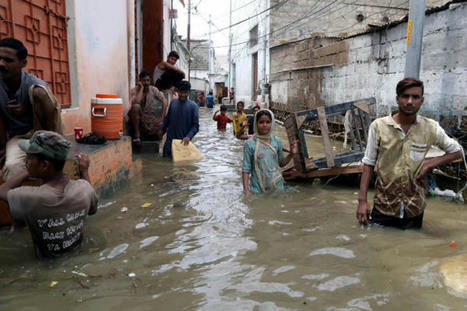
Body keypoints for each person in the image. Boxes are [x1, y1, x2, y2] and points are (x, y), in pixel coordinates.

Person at [356, 78, 462, 229]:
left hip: (415, 208)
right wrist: (362, 201)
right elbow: (368, 163)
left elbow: (458, 152)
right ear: (397, 99)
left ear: (422, 100)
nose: (410, 101)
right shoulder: (379, 127)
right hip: (384, 206)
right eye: (405, 96)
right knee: (378, 247)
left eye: (415, 97)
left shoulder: (430, 128)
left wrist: (429, 164)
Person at [0, 131, 98, 258]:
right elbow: (92, 211)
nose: (26, 161)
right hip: (78, 254)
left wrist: (28, 171)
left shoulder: (31, 198)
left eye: (29, 157)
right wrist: (84, 170)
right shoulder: (84, 188)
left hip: (45, 262)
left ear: (45, 165)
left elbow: (2, 190)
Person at [0, 38, 63, 181]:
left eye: (8, 60)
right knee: (11, 167)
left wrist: (48, 148)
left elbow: (51, 117)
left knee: (40, 92)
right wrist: (3, 146)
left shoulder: (35, 86)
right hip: (18, 138)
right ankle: (20, 201)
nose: (1, 64)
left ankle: (52, 147)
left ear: (23, 63)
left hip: (41, 134)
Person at [242, 109, 298, 196]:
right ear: (256, 124)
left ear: (272, 124)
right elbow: (246, 169)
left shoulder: (276, 141)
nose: (265, 125)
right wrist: (246, 190)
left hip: (277, 186)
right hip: (257, 188)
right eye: (261, 122)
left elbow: (281, 163)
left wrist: (291, 154)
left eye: (268, 122)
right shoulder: (250, 144)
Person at [128, 71, 168, 145]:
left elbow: (165, 101)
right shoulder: (134, 90)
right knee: (136, 107)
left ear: (150, 81)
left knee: (162, 128)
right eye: (143, 80)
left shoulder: (153, 89)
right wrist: (141, 88)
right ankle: (137, 134)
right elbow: (136, 102)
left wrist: (161, 118)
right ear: (139, 81)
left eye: (148, 80)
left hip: (149, 117)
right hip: (137, 117)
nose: (146, 82)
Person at [161, 80, 199, 158]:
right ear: (178, 91)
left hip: (182, 143)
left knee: (181, 167)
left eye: (185, 92)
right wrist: (161, 130)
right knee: (165, 162)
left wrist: (189, 136)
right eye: (181, 92)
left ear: (188, 92)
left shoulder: (193, 106)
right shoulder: (173, 103)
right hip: (169, 142)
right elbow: (167, 119)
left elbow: (195, 126)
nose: (182, 95)